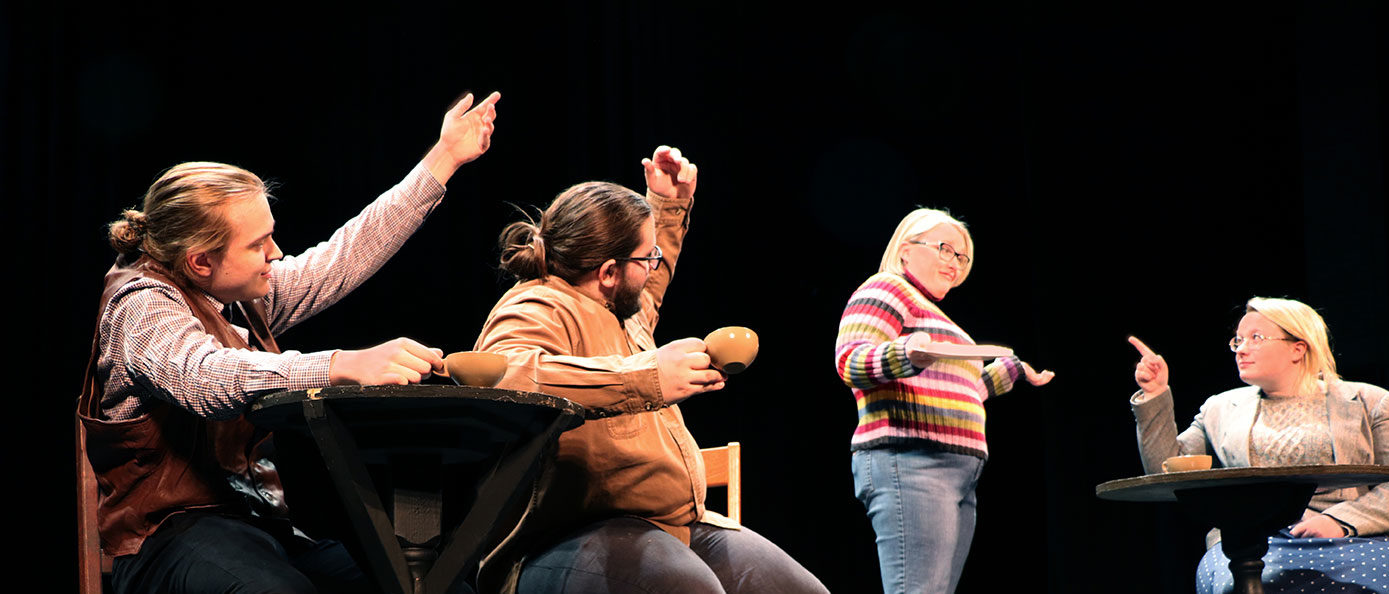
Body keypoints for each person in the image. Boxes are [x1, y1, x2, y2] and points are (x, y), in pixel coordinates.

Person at [77, 91, 500, 594]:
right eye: (258, 244)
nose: (275, 253)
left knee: (429, 583)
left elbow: (343, 257)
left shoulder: (233, 292)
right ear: (200, 261)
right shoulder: (141, 305)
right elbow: (205, 376)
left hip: (260, 529)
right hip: (167, 539)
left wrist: (444, 158)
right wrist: (342, 364)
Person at [473, 146, 828, 594]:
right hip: (561, 537)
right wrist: (647, 376)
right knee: (688, 588)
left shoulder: (621, 307)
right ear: (608, 272)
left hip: (674, 524)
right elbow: (509, 377)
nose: (654, 266)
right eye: (647, 258)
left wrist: (669, 203)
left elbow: (648, 284)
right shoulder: (537, 304)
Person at [1129, 297, 1389, 593]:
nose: (1241, 348)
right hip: (1247, 542)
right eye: (1238, 340)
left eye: (1255, 338)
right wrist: (1155, 394)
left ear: (1298, 348)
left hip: (1351, 539)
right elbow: (1165, 470)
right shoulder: (1219, 408)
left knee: (1384, 579)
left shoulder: (1370, 402)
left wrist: (1340, 521)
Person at [834, 208, 1055, 594]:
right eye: (944, 249)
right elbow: (850, 361)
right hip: (913, 461)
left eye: (961, 257)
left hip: (955, 472)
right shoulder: (887, 288)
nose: (954, 263)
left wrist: (1012, 369)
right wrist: (907, 354)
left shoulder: (936, 317)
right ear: (905, 251)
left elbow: (963, 389)